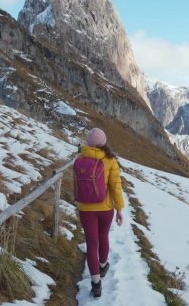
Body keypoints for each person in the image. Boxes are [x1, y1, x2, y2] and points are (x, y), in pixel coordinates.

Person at [75, 127, 124, 298]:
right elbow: (116, 187)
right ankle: (103, 266)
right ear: (104, 143)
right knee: (103, 237)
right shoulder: (110, 160)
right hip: (105, 209)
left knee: (91, 243)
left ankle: (96, 284)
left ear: (88, 143)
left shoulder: (80, 157)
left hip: (86, 209)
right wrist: (119, 209)